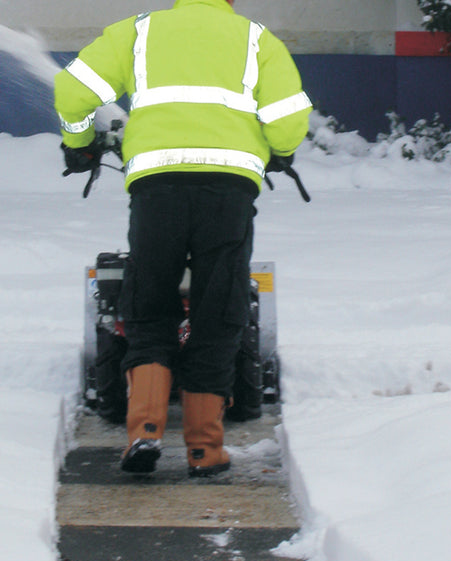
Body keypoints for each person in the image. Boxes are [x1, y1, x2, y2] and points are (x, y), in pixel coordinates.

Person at [54, 0, 311, 476]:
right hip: (229, 191)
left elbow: (72, 89)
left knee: (148, 304)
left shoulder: (138, 32)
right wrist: (280, 151)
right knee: (220, 309)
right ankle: (205, 450)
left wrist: (78, 143)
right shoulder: (257, 40)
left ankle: (146, 432)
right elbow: (289, 119)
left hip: (156, 189)